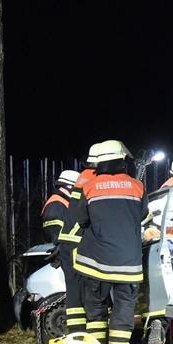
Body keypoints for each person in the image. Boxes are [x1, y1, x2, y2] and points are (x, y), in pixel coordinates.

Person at [69, 140, 149, 344]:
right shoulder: (137, 186)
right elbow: (142, 215)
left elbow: (81, 219)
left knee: (95, 305)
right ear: (122, 160)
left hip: (96, 262)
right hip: (128, 262)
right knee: (124, 306)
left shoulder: (89, 186)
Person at [56, 143, 101, 334]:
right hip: (78, 241)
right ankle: (89, 337)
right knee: (86, 291)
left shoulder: (84, 176)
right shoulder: (93, 179)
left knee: (75, 291)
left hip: (71, 241)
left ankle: (77, 334)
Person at [41, 170, 79, 244]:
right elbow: (54, 231)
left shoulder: (64, 202)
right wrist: (60, 246)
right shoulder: (56, 204)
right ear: (69, 187)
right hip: (63, 252)